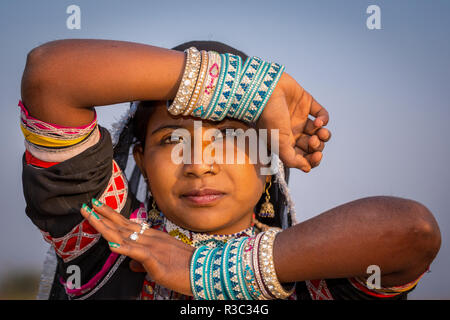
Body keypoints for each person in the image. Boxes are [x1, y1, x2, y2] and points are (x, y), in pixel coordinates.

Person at [19, 39, 441, 300]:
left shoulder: (315, 279)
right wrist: (252, 87)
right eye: (171, 140)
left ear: (266, 157)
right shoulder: (110, 243)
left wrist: (206, 271)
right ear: (143, 162)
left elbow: (412, 232)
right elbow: (49, 77)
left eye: (228, 138)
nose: (199, 164)